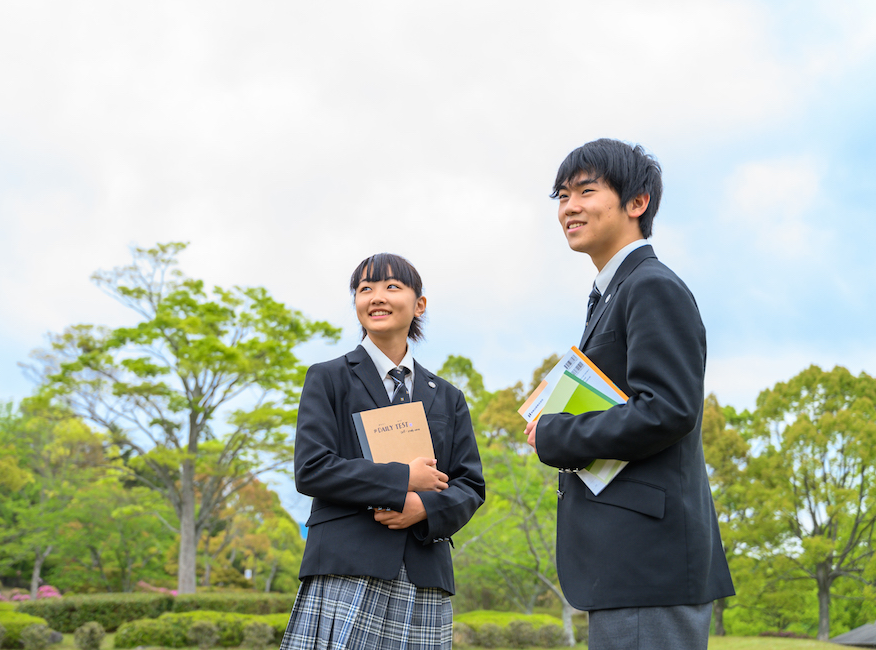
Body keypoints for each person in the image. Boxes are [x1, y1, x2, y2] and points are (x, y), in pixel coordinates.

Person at [524, 139, 734, 649]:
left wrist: (555, 433)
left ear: (637, 203)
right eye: (561, 196)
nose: (568, 207)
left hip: (649, 561)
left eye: (585, 191)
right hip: (625, 562)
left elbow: (668, 409)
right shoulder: (612, 294)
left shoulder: (651, 286)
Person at [282, 253, 486, 650]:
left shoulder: (447, 396)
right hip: (347, 565)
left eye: (392, 286)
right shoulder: (328, 378)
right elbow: (312, 469)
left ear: (419, 304)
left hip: (425, 572)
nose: (377, 297)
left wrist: (425, 509)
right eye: (365, 289)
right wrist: (403, 479)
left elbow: (471, 486)